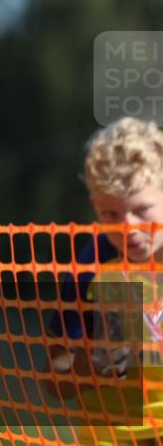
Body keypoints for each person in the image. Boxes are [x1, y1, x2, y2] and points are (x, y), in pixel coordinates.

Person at [43, 117, 163, 445]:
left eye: (142, 210)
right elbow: (54, 380)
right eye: (111, 214)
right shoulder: (91, 266)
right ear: (95, 206)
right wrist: (93, 363)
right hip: (112, 436)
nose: (129, 228)